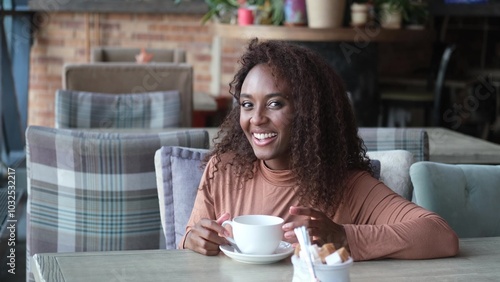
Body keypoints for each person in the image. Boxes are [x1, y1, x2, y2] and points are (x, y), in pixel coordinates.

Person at [180, 38, 459, 261]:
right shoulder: (223, 169)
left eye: (275, 104)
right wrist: (194, 240)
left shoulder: (346, 185)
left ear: (309, 113)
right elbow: (189, 245)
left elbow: (441, 235)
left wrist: (344, 238)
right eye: (247, 104)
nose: (256, 119)